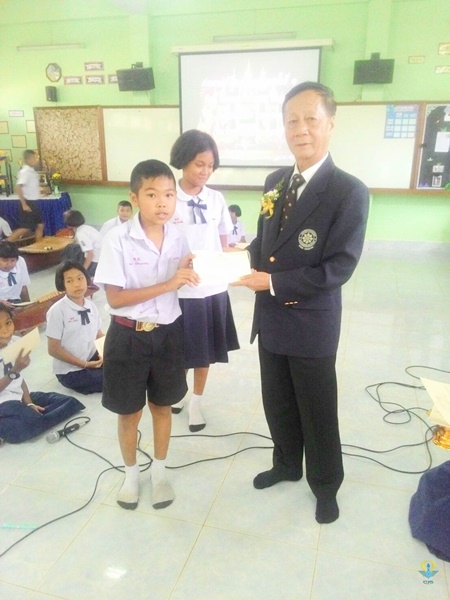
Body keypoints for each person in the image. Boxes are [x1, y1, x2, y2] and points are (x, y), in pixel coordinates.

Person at [234, 82, 370, 524]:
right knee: (277, 401)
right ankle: (287, 463)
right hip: (271, 319)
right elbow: (264, 243)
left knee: (317, 409)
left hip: (311, 323)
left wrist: (273, 282)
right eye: (292, 120)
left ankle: (326, 485)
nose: (301, 129)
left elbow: (339, 267)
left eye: (311, 119)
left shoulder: (348, 191)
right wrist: (232, 259)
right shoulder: (275, 182)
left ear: (330, 124)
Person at [95, 159, 199, 511]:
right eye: (152, 194)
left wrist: (198, 271)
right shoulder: (117, 239)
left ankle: (160, 472)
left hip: (168, 333)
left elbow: (184, 280)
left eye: (169, 194)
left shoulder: (179, 237)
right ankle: (130, 474)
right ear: (135, 197)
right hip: (128, 336)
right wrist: (169, 283)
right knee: (129, 412)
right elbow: (115, 298)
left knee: (163, 406)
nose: (162, 203)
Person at [169, 129, 239, 432]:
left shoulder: (216, 198)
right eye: (199, 164)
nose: (205, 171)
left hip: (211, 288)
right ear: (183, 160)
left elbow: (224, 244)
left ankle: (196, 401)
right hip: (178, 289)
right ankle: (179, 392)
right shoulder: (168, 196)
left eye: (210, 166)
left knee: (203, 351)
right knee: (178, 349)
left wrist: (237, 263)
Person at [0, 305, 85, 444]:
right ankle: (25, 421)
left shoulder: (14, 342)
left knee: (70, 402)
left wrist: (29, 403)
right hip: (3, 403)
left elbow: (19, 380)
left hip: (17, 398)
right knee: (29, 422)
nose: (5, 330)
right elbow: (15, 374)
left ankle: (25, 421)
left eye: (8, 323)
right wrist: (14, 371)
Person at [46, 261, 104, 394]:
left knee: (125, 364)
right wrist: (84, 364)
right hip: (71, 371)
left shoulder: (91, 306)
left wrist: (106, 353)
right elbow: (53, 349)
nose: (77, 284)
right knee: (115, 379)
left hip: (91, 358)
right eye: (69, 281)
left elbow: (98, 334)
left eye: (80, 278)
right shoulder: (57, 311)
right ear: (62, 284)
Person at [10, 150, 44, 242]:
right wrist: (24, 204)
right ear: (27, 159)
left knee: (40, 225)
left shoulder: (32, 171)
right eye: (33, 158)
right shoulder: (25, 171)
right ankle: (6, 244)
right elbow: (18, 187)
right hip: (28, 202)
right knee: (26, 228)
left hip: (34, 202)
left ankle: (38, 247)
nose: (35, 160)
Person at [63, 210, 101, 278]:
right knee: (74, 246)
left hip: (96, 262)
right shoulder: (87, 227)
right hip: (101, 258)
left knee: (71, 248)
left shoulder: (80, 233)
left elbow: (90, 254)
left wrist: (83, 270)